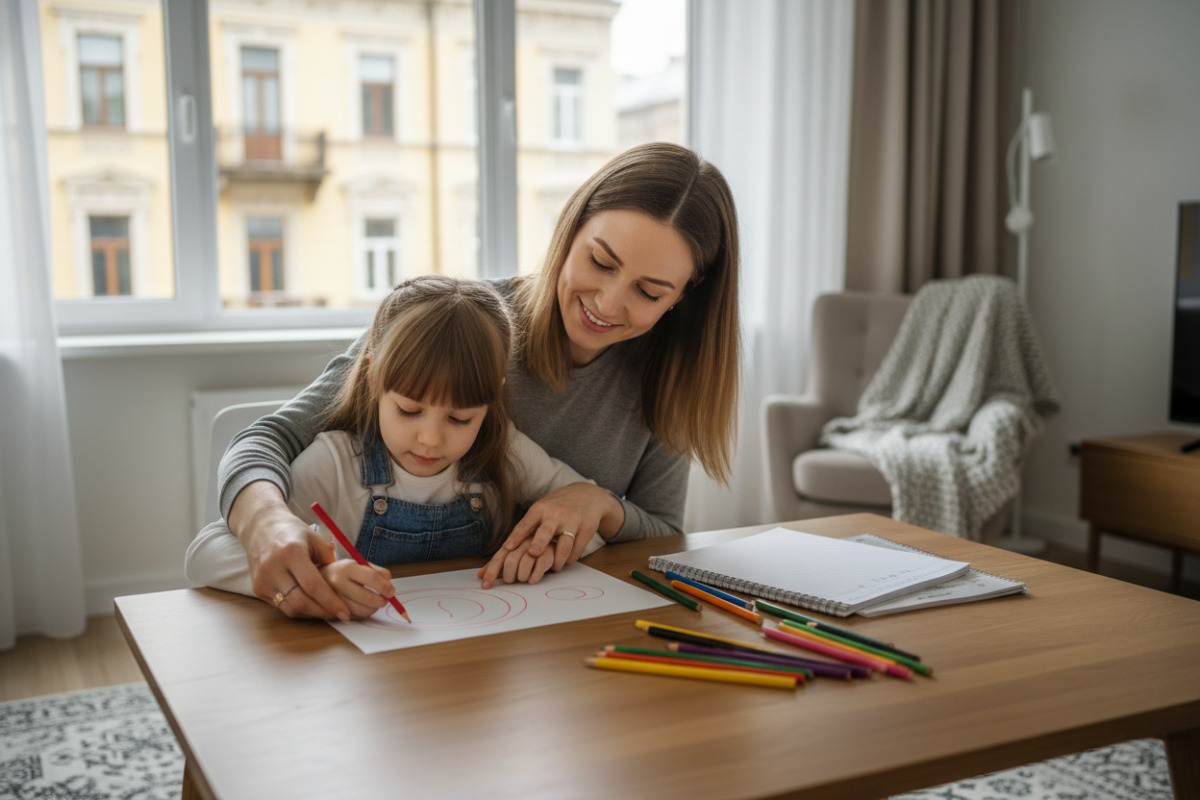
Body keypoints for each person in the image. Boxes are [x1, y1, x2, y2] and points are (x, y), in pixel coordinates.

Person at [219, 141, 741, 620]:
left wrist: (600, 505)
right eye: (599, 262)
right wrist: (266, 522)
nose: (607, 303)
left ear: (683, 297)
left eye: (649, 293)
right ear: (570, 229)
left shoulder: (670, 377)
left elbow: (662, 538)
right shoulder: (460, 324)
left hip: (546, 631)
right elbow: (269, 440)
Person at [186, 276, 616, 618]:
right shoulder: (336, 463)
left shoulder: (505, 452)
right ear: (374, 379)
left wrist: (539, 549)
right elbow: (204, 556)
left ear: (493, 399)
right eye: (409, 411)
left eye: (460, 418)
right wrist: (319, 576)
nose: (431, 438)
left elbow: (587, 524)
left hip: (470, 665)